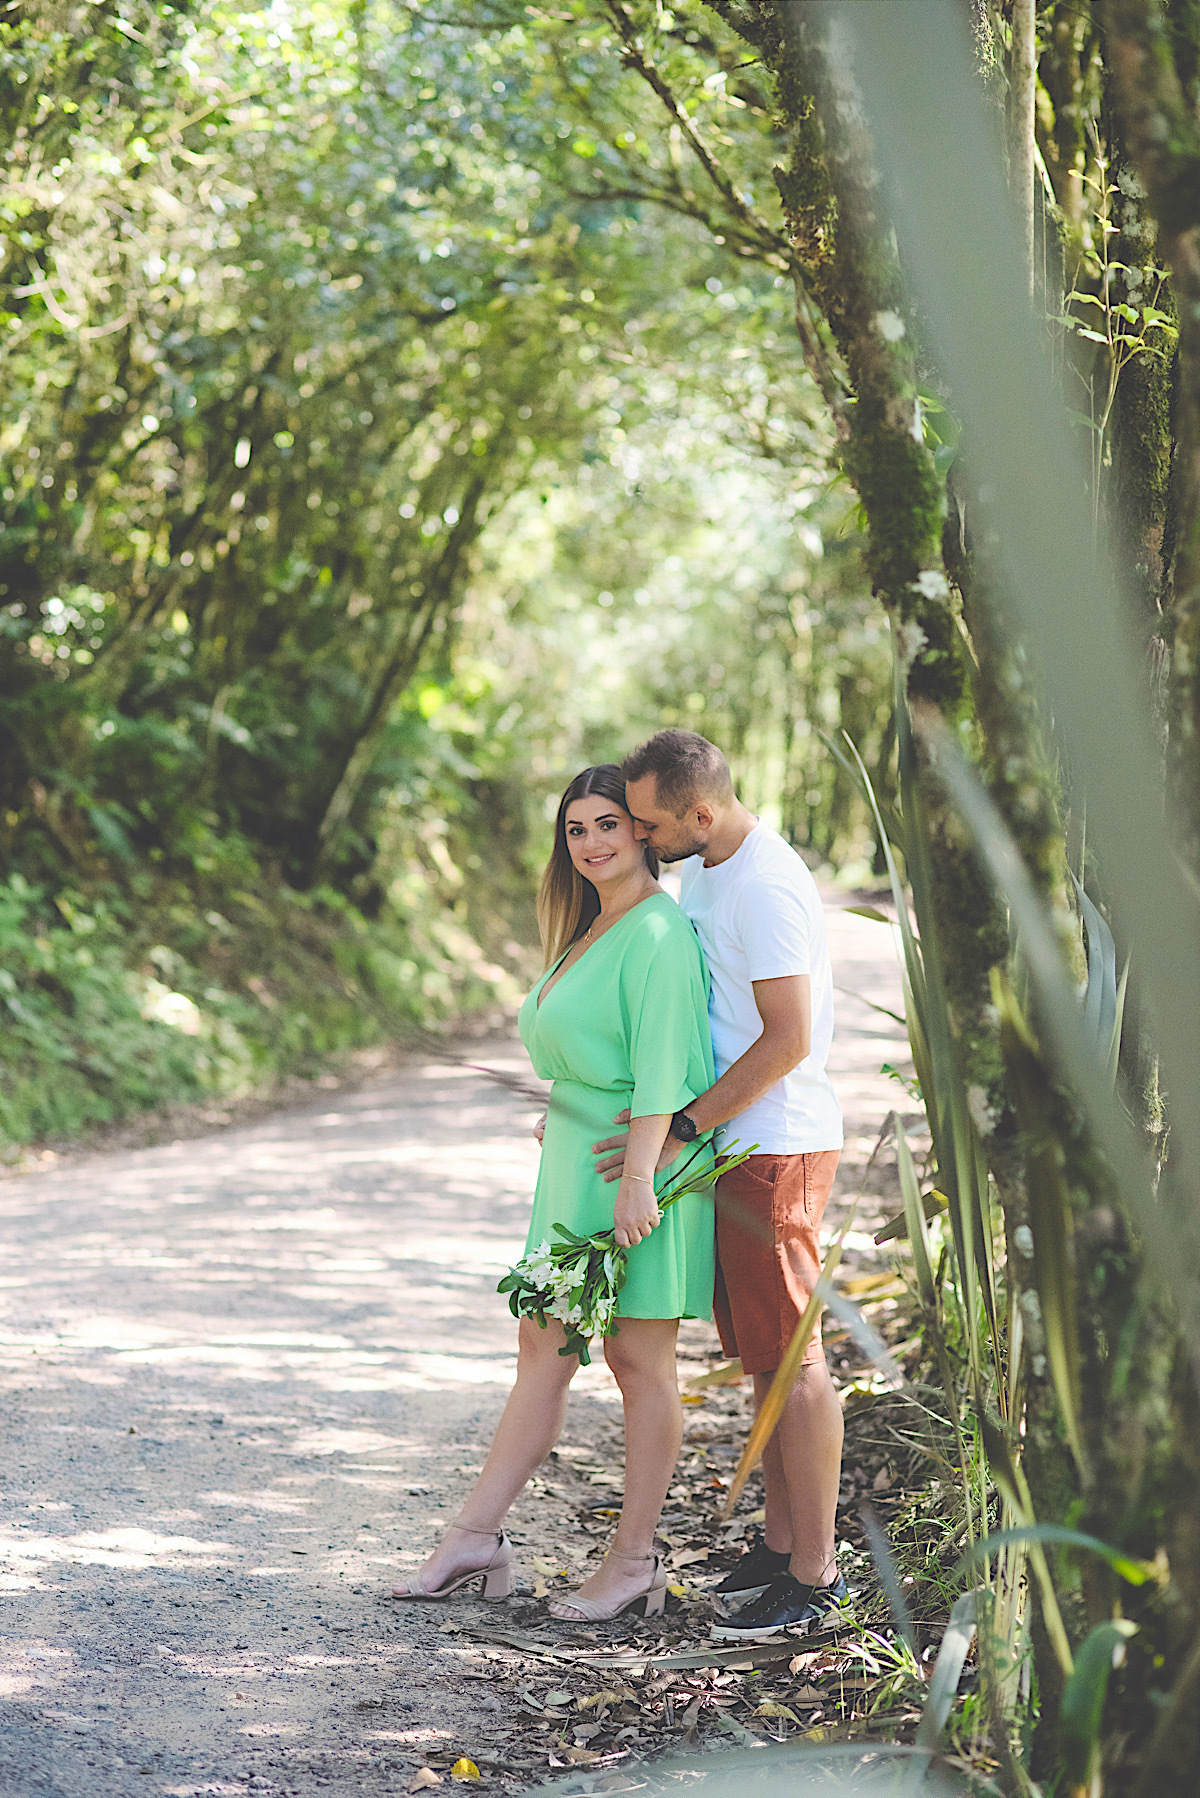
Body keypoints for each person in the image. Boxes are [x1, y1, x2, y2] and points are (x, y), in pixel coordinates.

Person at [392, 763, 716, 1622]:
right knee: (543, 1345)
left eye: (608, 824)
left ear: (643, 831)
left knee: (639, 1362)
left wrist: (641, 1180)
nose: (592, 843)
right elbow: (593, 1052)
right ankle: (476, 1536)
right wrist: (567, 1109)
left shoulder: (656, 933)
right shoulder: (590, 927)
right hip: (577, 1167)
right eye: (576, 830)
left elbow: (659, 1068)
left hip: (638, 1175)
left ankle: (635, 1558)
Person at [594, 729, 848, 1640]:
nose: (641, 837)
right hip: (729, 1149)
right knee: (762, 1359)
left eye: (650, 824)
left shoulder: (766, 884)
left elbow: (787, 1041)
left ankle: (817, 1575)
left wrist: (685, 1129)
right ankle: (780, 1547)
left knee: (798, 1363)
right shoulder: (703, 864)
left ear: (700, 813)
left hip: (775, 1148)